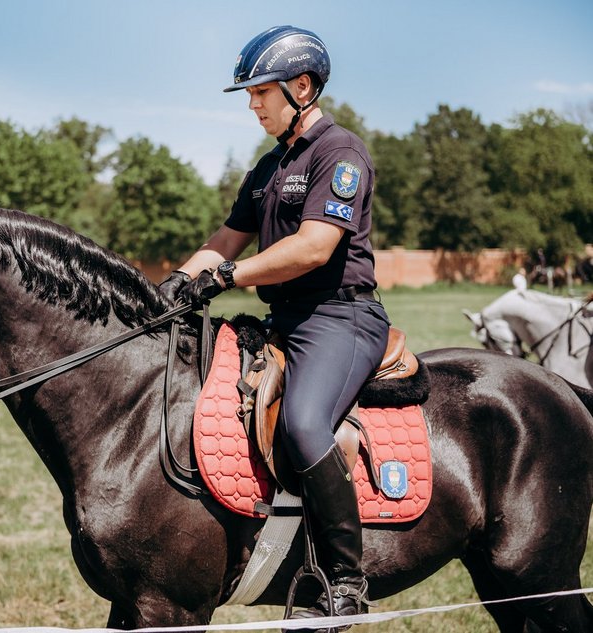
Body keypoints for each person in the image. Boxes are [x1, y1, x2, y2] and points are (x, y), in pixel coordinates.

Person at [160, 26, 389, 625]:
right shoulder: (267, 167)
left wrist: (227, 277)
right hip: (285, 319)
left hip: (342, 317)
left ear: (302, 87)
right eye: (250, 92)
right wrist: (174, 286)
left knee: (304, 423)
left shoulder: (340, 153)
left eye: (261, 90)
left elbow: (315, 247)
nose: (252, 102)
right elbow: (224, 241)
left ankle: (344, 581)